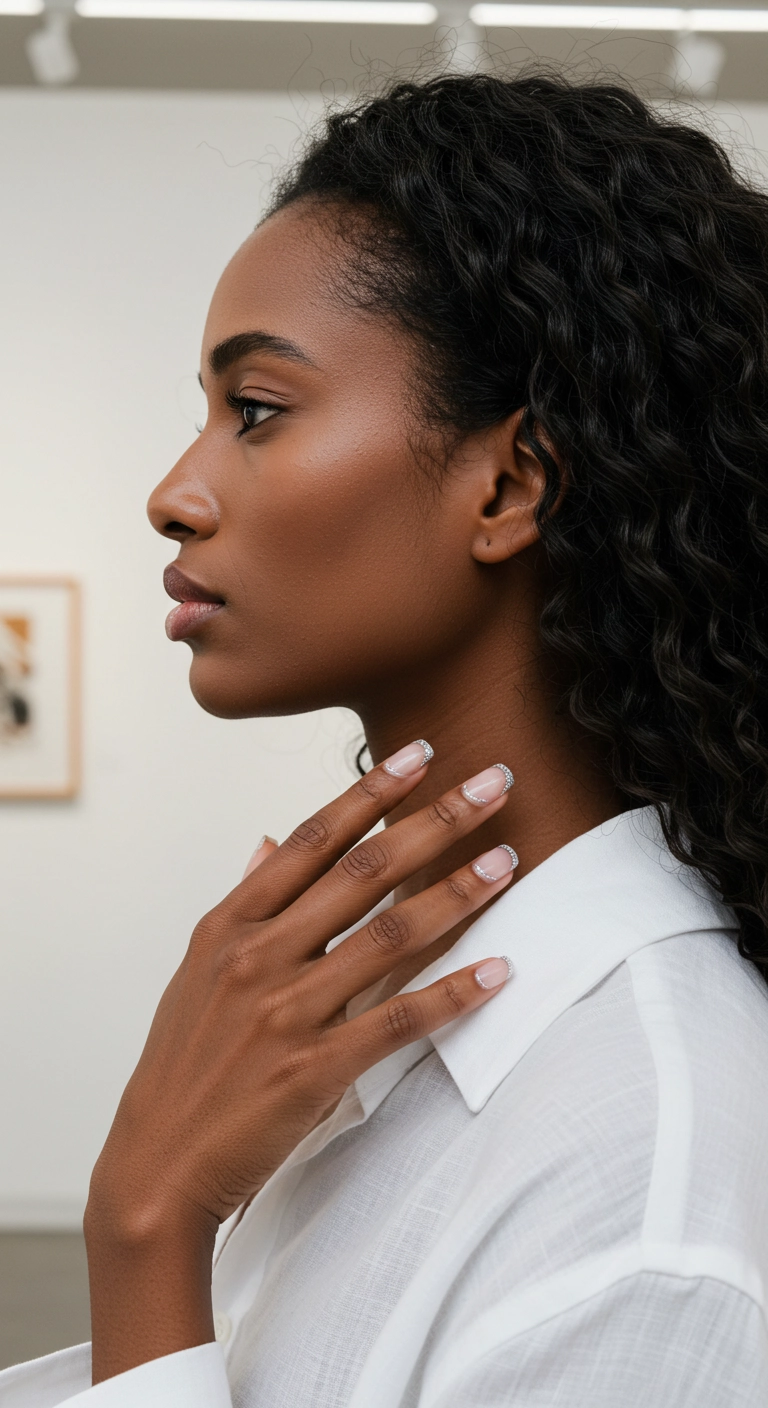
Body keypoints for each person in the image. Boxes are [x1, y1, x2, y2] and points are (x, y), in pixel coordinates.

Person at [4, 70, 768, 1407]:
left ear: (512, 482)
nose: (174, 494)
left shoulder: (649, 1192)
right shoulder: (411, 1042)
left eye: (257, 410)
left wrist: (148, 1225)